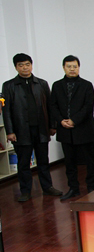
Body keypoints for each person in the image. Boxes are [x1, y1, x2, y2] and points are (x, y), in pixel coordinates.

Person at [1, 53, 63, 201]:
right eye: (21, 65)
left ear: (31, 65)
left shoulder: (41, 84)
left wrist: (52, 126)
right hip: (21, 131)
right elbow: (6, 110)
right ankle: (25, 191)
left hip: (41, 129)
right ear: (16, 67)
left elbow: (50, 106)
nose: (25, 68)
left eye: (27, 64)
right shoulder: (9, 85)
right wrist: (10, 131)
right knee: (23, 163)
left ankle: (47, 187)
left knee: (43, 161)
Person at [50, 55, 94, 200]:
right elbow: (53, 106)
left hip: (84, 129)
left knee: (90, 161)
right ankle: (73, 188)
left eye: (75, 66)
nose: (72, 69)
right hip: (65, 130)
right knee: (69, 162)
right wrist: (61, 121)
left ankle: (92, 187)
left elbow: (88, 106)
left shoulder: (86, 85)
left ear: (79, 67)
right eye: (69, 66)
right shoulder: (57, 85)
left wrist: (74, 120)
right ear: (63, 68)